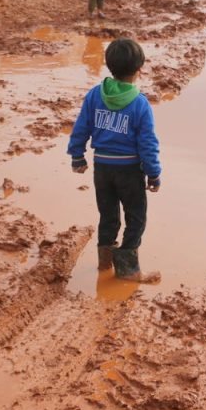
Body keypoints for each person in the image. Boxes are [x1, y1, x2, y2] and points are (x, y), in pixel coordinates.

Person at [68, 38, 162, 282]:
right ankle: (129, 270)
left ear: (108, 65)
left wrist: (77, 156)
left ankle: (104, 263)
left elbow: (81, 127)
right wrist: (153, 173)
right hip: (129, 171)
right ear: (139, 69)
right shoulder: (140, 104)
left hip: (102, 169)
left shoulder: (94, 95)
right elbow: (148, 143)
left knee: (108, 215)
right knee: (136, 217)